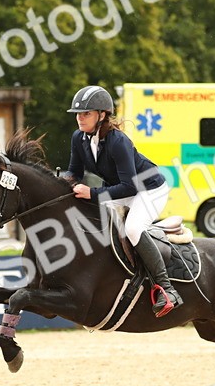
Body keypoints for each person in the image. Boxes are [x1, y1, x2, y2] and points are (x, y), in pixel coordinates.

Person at [64, 85, 182, 317]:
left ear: (102, 115)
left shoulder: (118, 141)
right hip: (122, 190)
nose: (80, 118)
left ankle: (167, 289)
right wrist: (58, 184)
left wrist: (93, 194)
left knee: (133, 228)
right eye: (78, 114)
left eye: (86, 113)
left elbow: (130, 186)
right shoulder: (79, 138)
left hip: (149, 189)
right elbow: (73, 172)